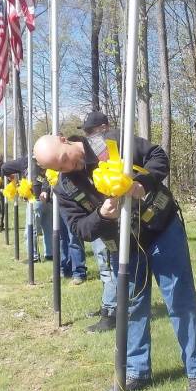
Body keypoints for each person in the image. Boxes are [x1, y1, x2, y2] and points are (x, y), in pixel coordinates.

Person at [33, 115, 196, 391]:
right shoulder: (64, 188)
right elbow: (82, 230)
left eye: (65, 159)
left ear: (65, 139)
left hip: (161, 228)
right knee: (131, 308)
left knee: (179, 301)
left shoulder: (110, 142)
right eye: (58, 167)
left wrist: (142, 183)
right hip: (125, 246)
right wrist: (103, 215)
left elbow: (157, 156)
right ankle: (137, 371)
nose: (68, 167)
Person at [77, 112, 117, 332]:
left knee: (109, 264)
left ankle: (110, 312)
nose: (88, 136)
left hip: (112, 214)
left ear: (104, 127)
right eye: (86, 132)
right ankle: (107, 304)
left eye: (90, 131)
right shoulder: (90, 152)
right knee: (104, 264)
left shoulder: (110, 148)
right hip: (97, 215)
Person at [1, 156, 52, 262]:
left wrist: (14, 179)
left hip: (35, 199)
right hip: (49, 198)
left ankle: (33, 256)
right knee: (48, 229)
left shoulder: (25, 161)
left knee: (31, 230)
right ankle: (50, 254)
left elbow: (4, 168)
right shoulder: (50, 157)